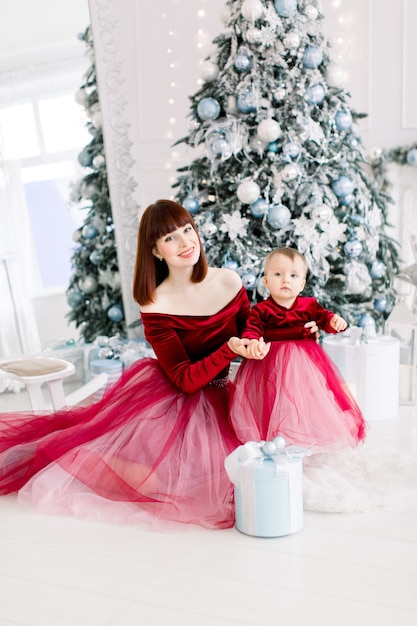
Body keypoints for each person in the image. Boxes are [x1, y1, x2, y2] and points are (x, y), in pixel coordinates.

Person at [0, 201, 319, 530]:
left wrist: (298, 329)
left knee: (243, 474)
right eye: (170, 238)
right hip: (176, 398)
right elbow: (184, 379)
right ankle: (90, 460)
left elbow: (254, 332)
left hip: (223, 392)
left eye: (187, 230)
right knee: (160, 483)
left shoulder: (228, 281)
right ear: (155, 250)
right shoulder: (156, 302)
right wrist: (228, 350)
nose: (185, 242)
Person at [229, 246, 366, 452]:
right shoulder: (261, 310)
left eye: (293, 276)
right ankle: (276, 439)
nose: (286, 280)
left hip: (304, 361)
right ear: (266, 281)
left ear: (302, 284)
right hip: (270, 362)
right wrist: (253, 341)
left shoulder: (308, 305)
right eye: (278, 274)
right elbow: (252, 328)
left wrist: (334, 321)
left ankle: (304, 437)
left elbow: (324, 317)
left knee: (306, 397)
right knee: (273, 400)